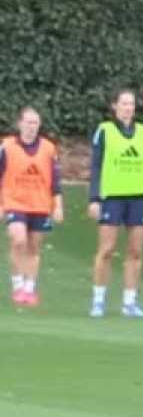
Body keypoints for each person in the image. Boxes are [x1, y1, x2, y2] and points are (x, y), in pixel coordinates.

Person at [88, 89, 143, 319]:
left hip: (137, 198)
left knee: (135, 251)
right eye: (123, 104)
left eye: (131, 104)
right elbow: (96, 166)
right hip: (112, 197)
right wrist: (94, 198)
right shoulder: (105, 131)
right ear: (115, 106)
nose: (128, 108)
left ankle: (129, 302)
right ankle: (98, 300)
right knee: (107, 249)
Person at [2, 107, 63, 308]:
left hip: (40, 204)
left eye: (35, 123)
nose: (32, 127)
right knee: (19, 240)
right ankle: (17, 283)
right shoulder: (7, 147)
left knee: (34, 248)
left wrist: (58, 205)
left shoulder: (48, 148)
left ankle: (29, 288)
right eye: (28, 122)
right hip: (15, 202)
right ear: (19, 124)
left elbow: (55, 180)